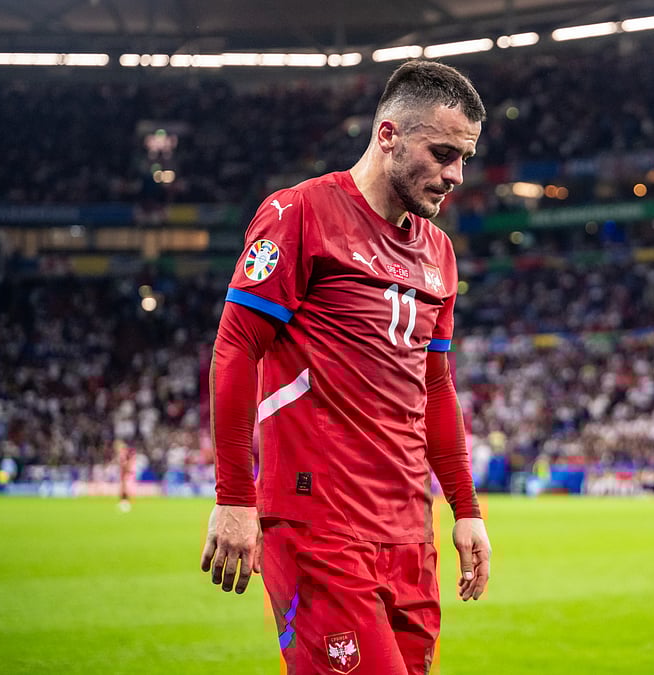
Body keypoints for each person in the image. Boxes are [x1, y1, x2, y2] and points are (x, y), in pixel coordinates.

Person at [199, 59, 492, 674]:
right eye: (441, 153)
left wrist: (464, 509)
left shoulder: (438, 252)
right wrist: (234, 496)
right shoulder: (298, 215)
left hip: (411, 533)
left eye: (463, 157)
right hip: (319, 529)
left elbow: (436, 390)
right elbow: (235, 349)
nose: (455, 174)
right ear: (388, 135)